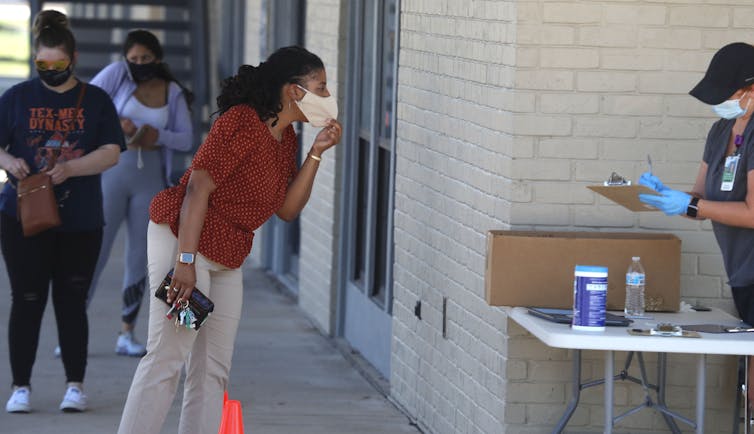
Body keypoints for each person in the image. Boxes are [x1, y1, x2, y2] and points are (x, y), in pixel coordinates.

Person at [117, 45, 341, 433]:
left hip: (227, 256)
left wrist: (316, 153)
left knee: (213, 370)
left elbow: (286, 210)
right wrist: (184, 263)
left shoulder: (286, 138)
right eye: (320, 87)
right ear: (293, 91)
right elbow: (197, 188)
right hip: (184, 242)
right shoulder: (242, 122)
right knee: (168, 358)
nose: (327, 97)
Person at [0, 10, 124, 413]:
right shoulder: (16, 98)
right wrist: (7, 160)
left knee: (71, 301)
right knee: (28, 297)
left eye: (58, 63)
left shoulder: (96, 101)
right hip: (21, 216)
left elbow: (110, 153)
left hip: (81, 217)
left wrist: (70, 168)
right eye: (42, 64)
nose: (50, 71)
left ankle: (76, 384)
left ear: (73, 58)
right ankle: (20, 386)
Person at [638, 42, 754, 408]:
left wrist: (691, 204)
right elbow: (701, 200)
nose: (721, 103)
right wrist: (669, 198)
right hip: (743, 271)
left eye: (728, 94)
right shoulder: (721, 132)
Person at [86, 29, 194, 357]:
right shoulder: (117, 75)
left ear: (157, 58)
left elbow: (186, 139)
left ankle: (126, 332)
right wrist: (116, 122)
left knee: (140, 258)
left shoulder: (172, 91)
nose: (139, 64)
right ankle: (72, 329)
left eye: (145, 58)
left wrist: (156, 135)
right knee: (94, 251)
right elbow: (86, 105)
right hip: (112, 173)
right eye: (133, 58)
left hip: (149, 180)